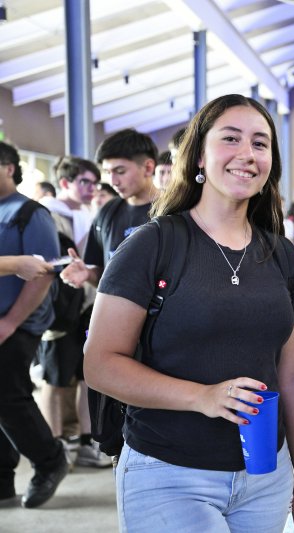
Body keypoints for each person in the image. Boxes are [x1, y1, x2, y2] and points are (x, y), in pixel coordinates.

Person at [83, 94, 294, 532]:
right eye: (230, 139)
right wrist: (203, 397)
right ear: (198, 156)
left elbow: (292, 375)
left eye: (260, 143)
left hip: (265, 476)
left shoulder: (282, 255)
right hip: (168, 472)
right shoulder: (153, 244)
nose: (247, 154)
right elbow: (100, 364)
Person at [0, 140, 70, 509]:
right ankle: (2, 479)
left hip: (19, 322)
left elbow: (43, 274)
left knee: (8, 395)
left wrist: (11, 322)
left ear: (9, 168)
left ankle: (49, 460)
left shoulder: (30, 212)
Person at [37, 156, 111, 468]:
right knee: (55, 377)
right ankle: (54, 448)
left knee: (87, 375)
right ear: (66, 182)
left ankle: (85, 442)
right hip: (58, 309)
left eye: (94, 182)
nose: (91, 188)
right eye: (85, 182)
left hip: (90, 305)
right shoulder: (46, 214)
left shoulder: (92, 213)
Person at [60, 128, 159, 289]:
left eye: (120, 171)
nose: (113, 181)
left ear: (148, 168)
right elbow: (104, 276)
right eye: (108, 172)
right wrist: (88, 274)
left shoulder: (174, 210)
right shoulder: (107, 212)